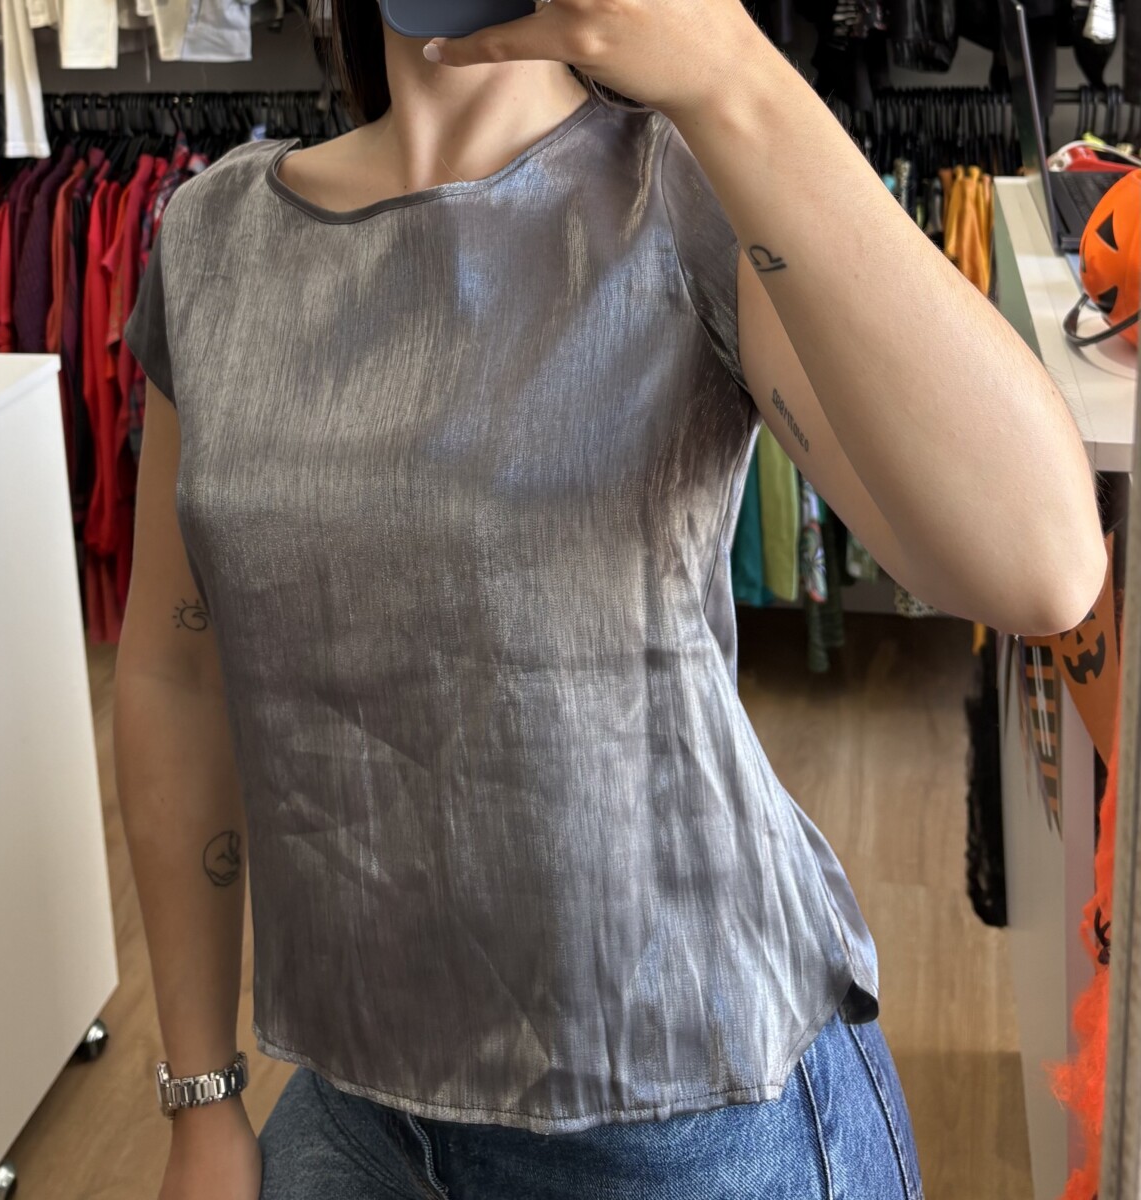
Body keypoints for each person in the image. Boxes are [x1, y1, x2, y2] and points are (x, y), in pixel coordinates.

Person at [115, 1, 1107, 1197]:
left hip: (692, 1109)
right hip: (357, 1101)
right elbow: (175, 672)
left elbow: (1040, 566)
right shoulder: (216, 241)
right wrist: (200, 1093)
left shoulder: (681, 192)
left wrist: (733, 74)